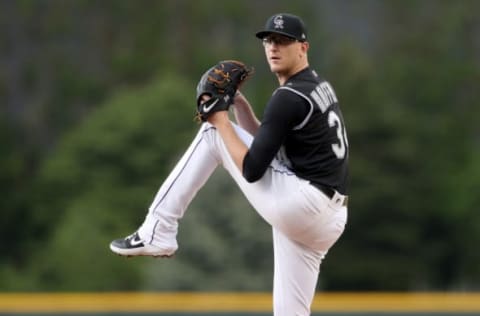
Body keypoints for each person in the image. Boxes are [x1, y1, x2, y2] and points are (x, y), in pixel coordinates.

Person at [110, 13, 349, 316]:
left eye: (284, 41)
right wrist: (237, 105)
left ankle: (158, 229)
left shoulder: (287, 97)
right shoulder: (314, 85)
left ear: (303, 47)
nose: (274, 47)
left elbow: (252, 169)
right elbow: (268, 146)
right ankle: (158, 230)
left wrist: (219, 118)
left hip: (303, 203)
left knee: (212, 132)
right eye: (269, 40)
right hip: (329, 218)